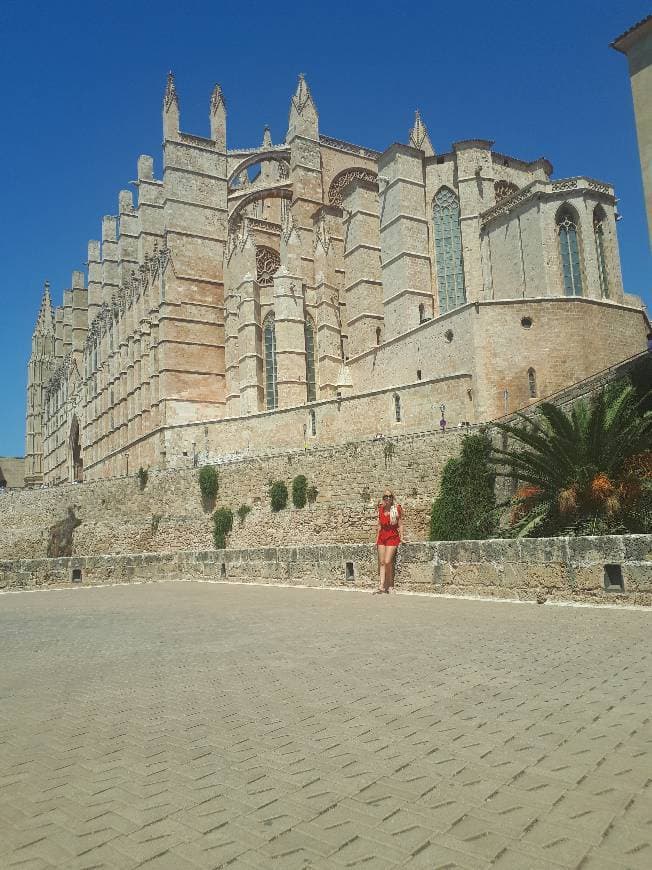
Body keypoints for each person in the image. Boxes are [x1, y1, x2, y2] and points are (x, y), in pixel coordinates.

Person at [373, 490, 404, 594]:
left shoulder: (396, 509)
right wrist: (376, 539)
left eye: (390, 496)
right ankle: (381, 585)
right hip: (382, 537)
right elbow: (379, 525)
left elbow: (400, 524)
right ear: (383, 498)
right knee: (381, 562)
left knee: (387, 561)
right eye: (386, 496)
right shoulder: (381, 509)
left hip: (392, 536)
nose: (388, 498)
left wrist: (402, 537)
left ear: (392, 497)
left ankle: (390, 585)